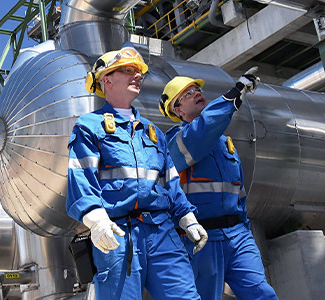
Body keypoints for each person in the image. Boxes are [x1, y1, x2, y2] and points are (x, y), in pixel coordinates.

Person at [66, 46, 208, 300]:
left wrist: (188, 218)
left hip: (163, 231)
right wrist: (96, 220)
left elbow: (170, 182)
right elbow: (81, 178)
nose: (137, 76)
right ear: (106, 80)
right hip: (118, 234)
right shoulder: (89, 127)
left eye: (139, 72)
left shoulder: (153, 132)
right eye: (128, 70)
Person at [158, 68, 279, 300]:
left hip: (237, 235)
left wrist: (244, 229)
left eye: (197, 90)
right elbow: (203, 131)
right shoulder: (176, 141)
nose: (196, 94)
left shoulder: (226, 145)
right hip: (201, 239)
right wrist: (234, 95)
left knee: (262, 293)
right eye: (187, 94)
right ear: (178, 109)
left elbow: (238, 193)